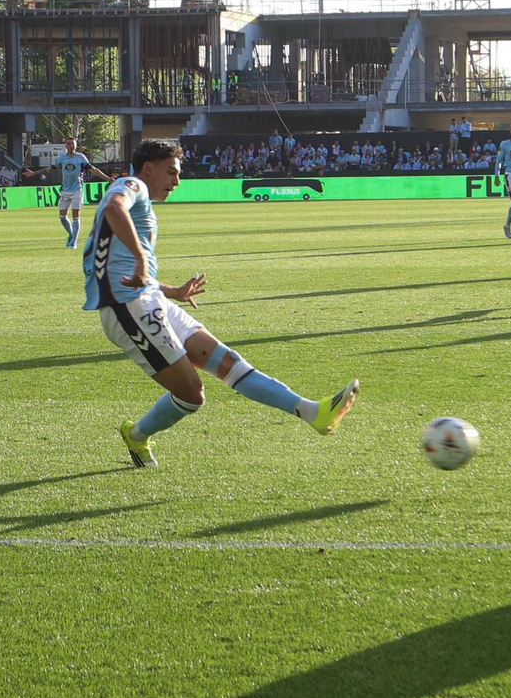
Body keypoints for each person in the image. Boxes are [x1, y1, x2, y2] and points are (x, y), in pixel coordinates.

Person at [89, 140, 359, 467]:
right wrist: (140, 261)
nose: (177, 181)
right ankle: (137, 434)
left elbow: (116, 266)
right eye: (171, 172)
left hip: (146, 299)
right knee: (192, 394)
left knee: (226, 361)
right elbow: (113, 208)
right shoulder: (131, 186)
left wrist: (171, 290)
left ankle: (313, 412)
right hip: (126, 308)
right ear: (149, 169)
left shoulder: (137, 198)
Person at [25, 137, 113, 248]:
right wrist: (33, 173)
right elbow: (49, 169)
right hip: (65, 190)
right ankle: (71, 235)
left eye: (72, 143)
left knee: (76, 216)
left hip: (77, 190)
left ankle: (74, 242)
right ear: (65, 146)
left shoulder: (80, 158)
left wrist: (107, 178)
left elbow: (93, 169)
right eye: (68, 144)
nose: (70, 145)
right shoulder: (62, 158)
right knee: (62, 216)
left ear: (76, 146)